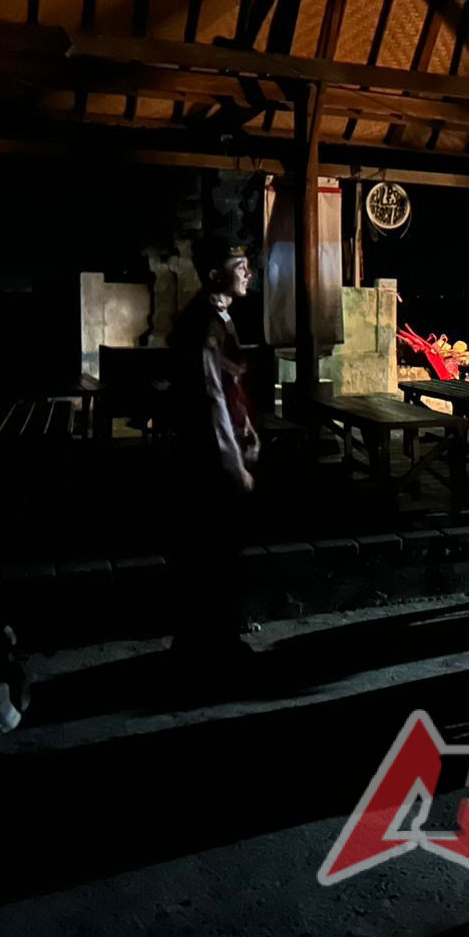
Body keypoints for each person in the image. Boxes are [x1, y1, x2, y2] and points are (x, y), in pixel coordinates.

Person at [165, 233, 259, 666]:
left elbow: (229, 384)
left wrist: (248, 428)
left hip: (218, 448)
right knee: (211, 552)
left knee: (217, 549)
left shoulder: (218, 316)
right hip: (206, 457)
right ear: (214, 274)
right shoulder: (204, 322)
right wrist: (232, 461)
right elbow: (210, 396)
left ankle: (210, 640)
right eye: (238, 266)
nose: (247, 272)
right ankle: (210, 645)